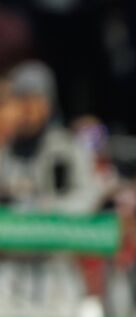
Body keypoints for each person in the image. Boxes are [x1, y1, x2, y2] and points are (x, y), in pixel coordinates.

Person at [0, 61, 102, 213]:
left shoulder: (66, 147)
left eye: (34, 100)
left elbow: (88, 196)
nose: (28, 110)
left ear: (48, 103)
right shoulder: (6, 148)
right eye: (21, 101)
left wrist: (47, 208)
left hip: (56, 224)